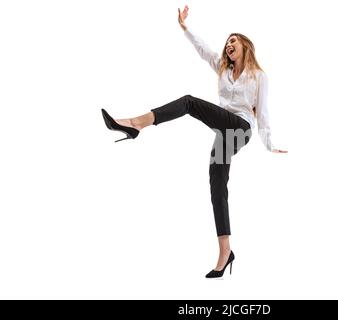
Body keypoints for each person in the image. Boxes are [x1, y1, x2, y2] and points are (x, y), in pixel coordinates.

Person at [101, 5, 287, 278]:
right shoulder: (222, 68)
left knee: (190, 102)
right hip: (224, 132)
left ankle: (136, 124)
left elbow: (264, 111)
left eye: (233, 41)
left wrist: (270, 144)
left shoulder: (259, 76)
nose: (228, 46)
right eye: (227, 43)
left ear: (245, 45)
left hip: (240, 127)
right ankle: (226, 251)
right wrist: (185, 27)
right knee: (216, 185)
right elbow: (203, 49)